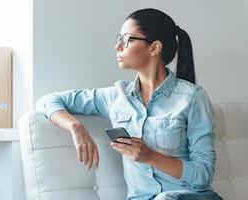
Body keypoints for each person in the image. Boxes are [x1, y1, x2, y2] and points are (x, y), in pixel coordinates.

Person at [36, 8, 223, 200]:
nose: (117, 46)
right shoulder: (116, 97)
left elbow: (203, 173)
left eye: (126, 39)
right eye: (119, 39)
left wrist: (149, 156)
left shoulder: (192, 98)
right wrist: (75, 127)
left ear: (154, 48)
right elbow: (47, 101)